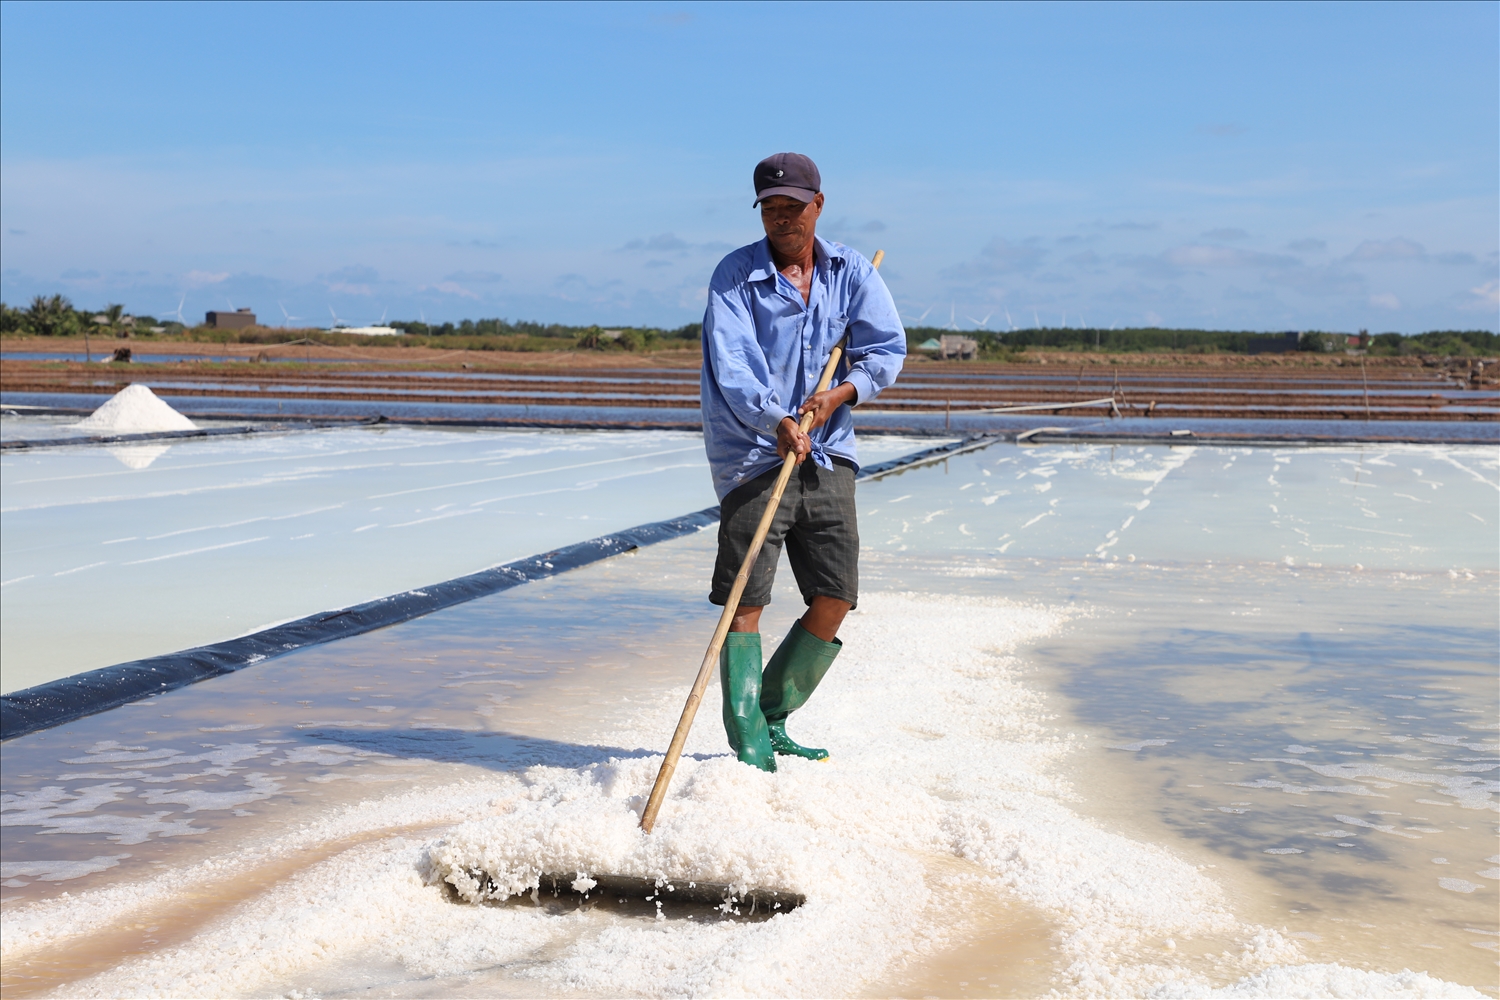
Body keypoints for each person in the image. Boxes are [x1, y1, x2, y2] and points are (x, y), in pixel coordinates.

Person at [700, 152, 906, 771]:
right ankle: (749, 746)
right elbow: (733, 371)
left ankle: (770, 714)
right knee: (748, 597)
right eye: (771, 208)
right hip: (755, 453)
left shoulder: (852, 272)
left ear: (818, 205)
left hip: (828, 447)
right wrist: (780, 419)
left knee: (836, 594)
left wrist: (839, 393)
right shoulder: (734, 276)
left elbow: (885, 352)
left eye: (794, 207)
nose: (783, 219)